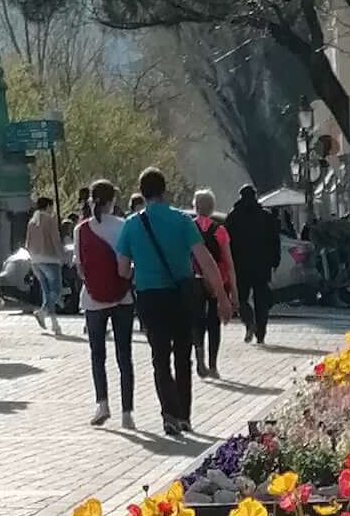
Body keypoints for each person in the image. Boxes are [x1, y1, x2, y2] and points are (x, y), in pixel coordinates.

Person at [119, 168, 207, 434]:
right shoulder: (182, 221)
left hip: (150, 297)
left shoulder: (131, 225)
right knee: (183, 355)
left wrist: (141, 265)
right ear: (164, 190)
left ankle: (169, 414)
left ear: (142, 192)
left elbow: (122, 269)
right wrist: (223, 295)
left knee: (160, 357)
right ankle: (184, 415)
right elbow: (203, 258)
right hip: (181, 294)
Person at [77, 180, 134, 423]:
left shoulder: (81, 229)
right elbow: (127, 265)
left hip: (92, 299)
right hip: (123, 297)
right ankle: (127, 413)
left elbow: (80, 268)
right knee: (124, 356)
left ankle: (102, 405)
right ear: (114, 200)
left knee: (97, 355)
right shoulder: (124, 226)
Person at [226, 179, 279, 347]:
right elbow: (274, 241)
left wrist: (228, 262)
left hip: (240, 265)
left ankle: (249, 321)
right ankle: (261, 333)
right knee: (261, 301)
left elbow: (227, 242)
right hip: (262, 266)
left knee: (241, 299)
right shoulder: (266, 216)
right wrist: (275, 260)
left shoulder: (233, 217)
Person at [191, 187, 236, 378]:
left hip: (194, 279)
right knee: (214, 323)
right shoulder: (220, 231)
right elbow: (229, 262)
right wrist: (234, 292)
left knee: (196, 320)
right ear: (212, 208)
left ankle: (199, 355)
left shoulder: (189, 228)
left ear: (196, 207)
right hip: (216, 280)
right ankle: (213, 365)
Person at [22, 191, 65, 330]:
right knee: (56, 290)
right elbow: (55, 239)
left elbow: (27, 242)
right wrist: (62, 255)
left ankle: (54, 323)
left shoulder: (32, 222)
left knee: (47, 292)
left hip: (36, 260)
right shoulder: (50, 219)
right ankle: (43, 311)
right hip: (50, 258)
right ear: (48, 206)